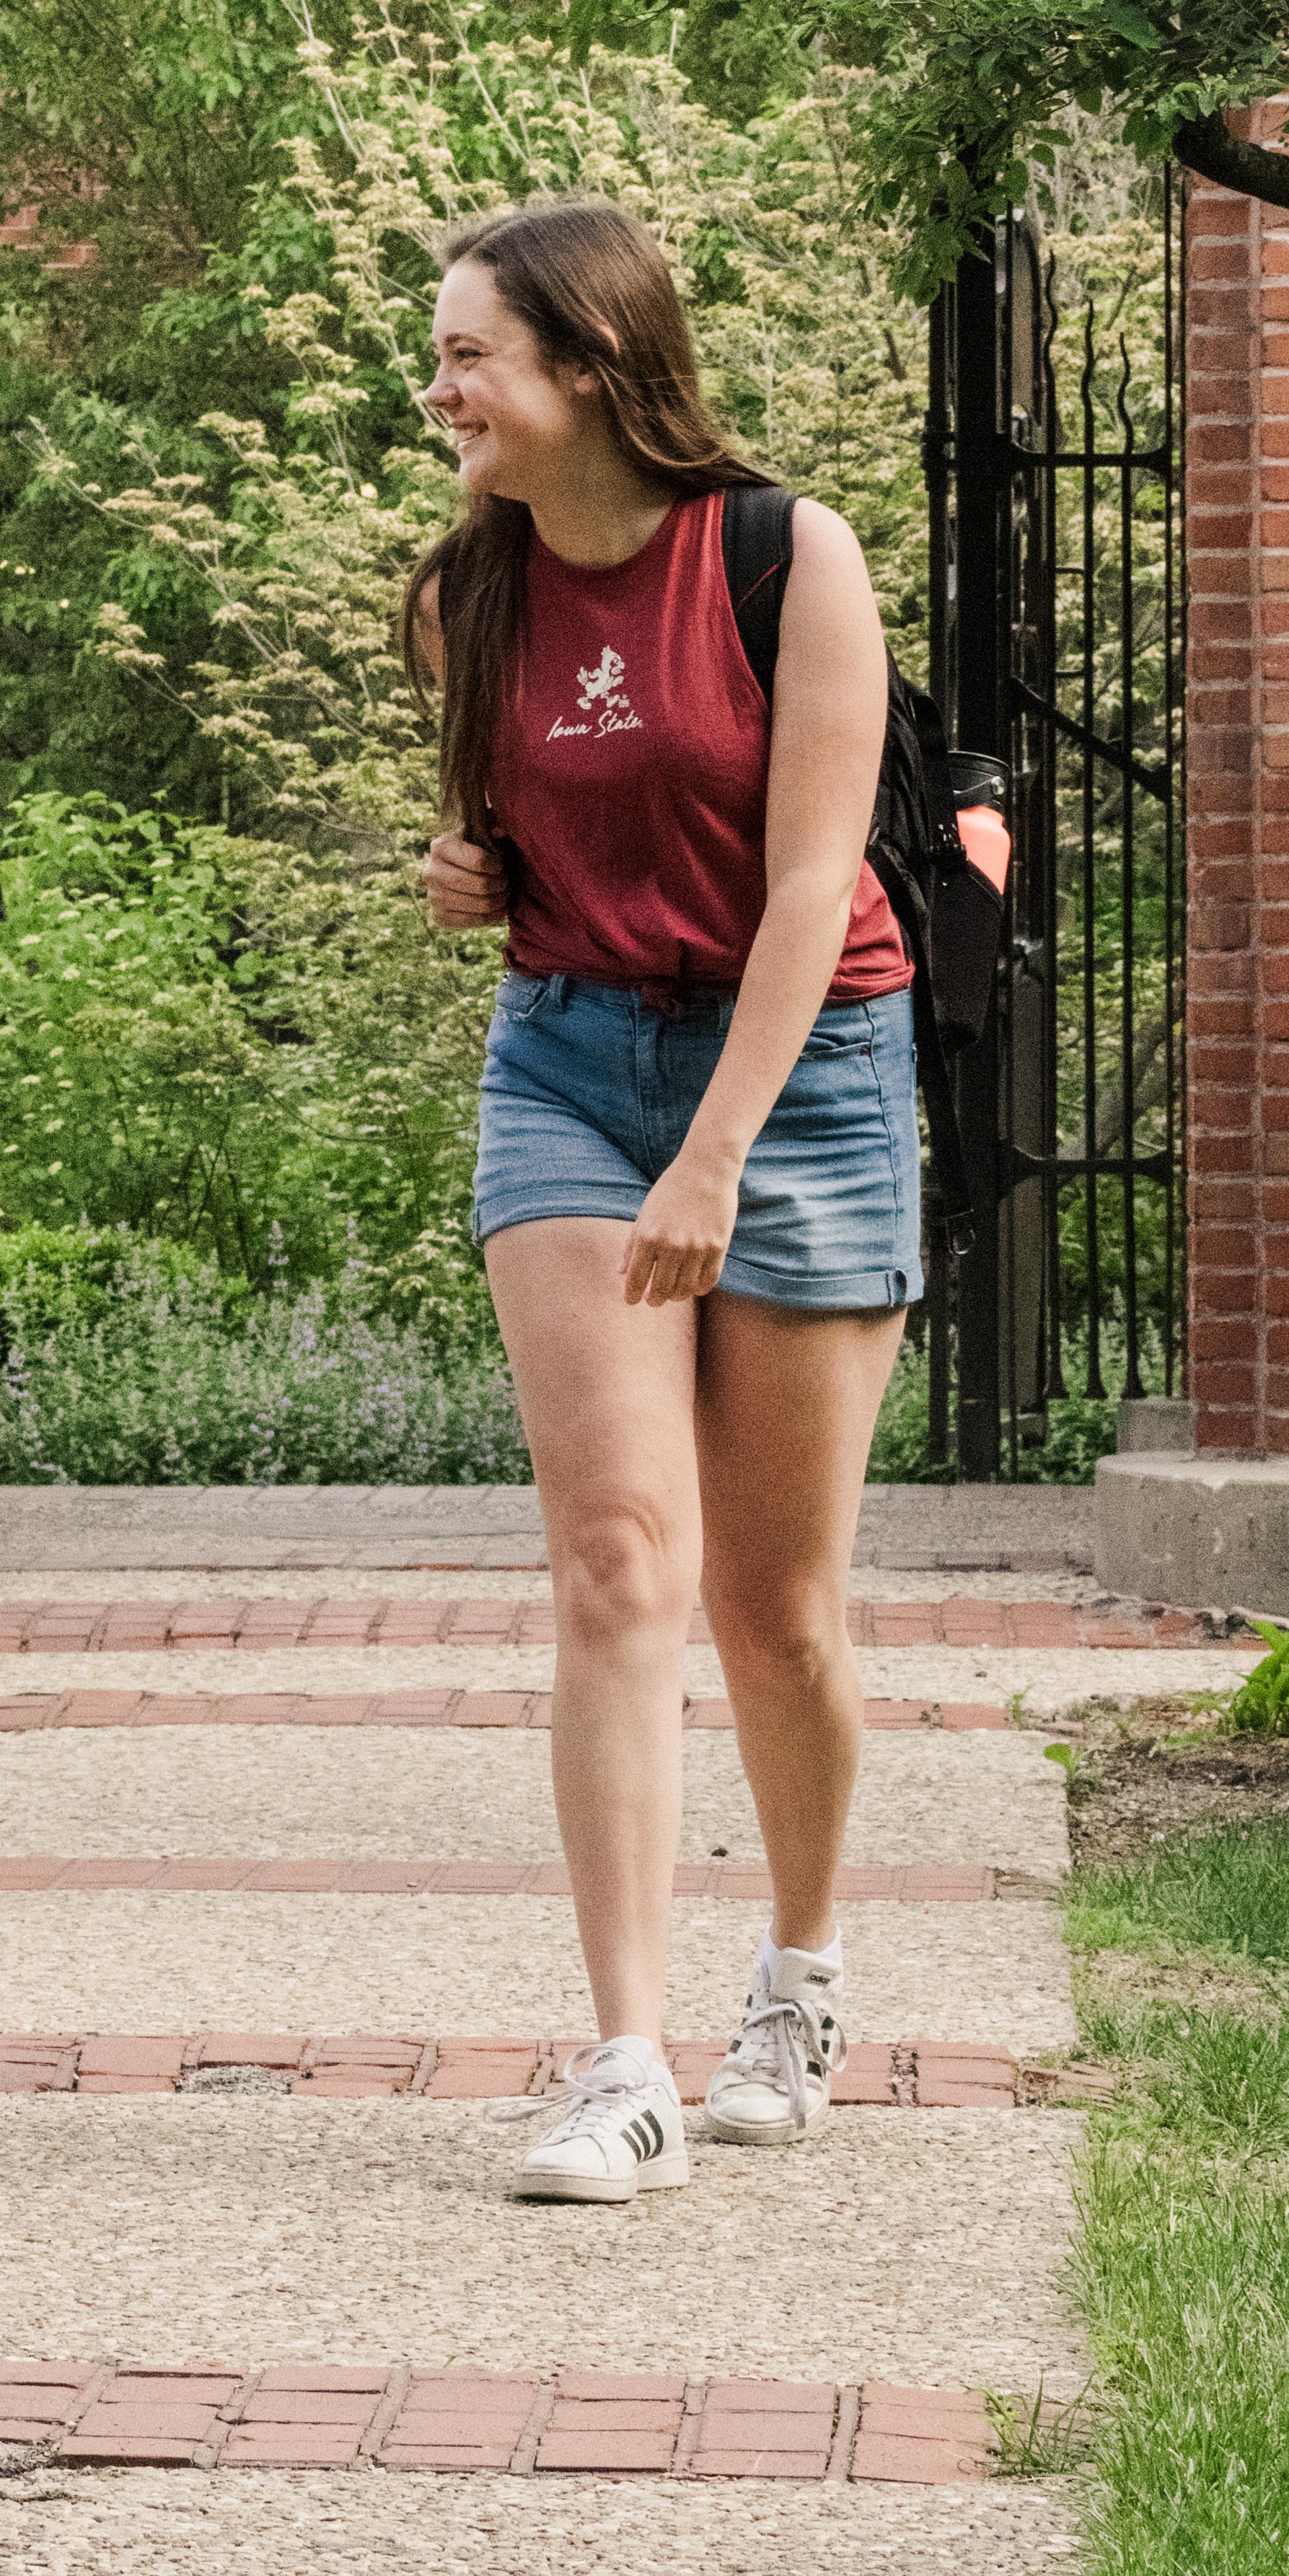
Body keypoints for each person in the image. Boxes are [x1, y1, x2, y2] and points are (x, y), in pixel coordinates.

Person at [403, 202, 918, 2206]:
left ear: (594, 367)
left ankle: (792, 1969)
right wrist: (473, 881)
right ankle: (619, 2059)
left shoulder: (789, 558)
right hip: (565, 1064)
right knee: (618, 1557)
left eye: (468, 356)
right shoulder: (468, 591)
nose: (437, 389)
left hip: (801, 1076)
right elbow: (506, 846)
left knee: (770, 1608)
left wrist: (714, 1148)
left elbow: (809, 880)